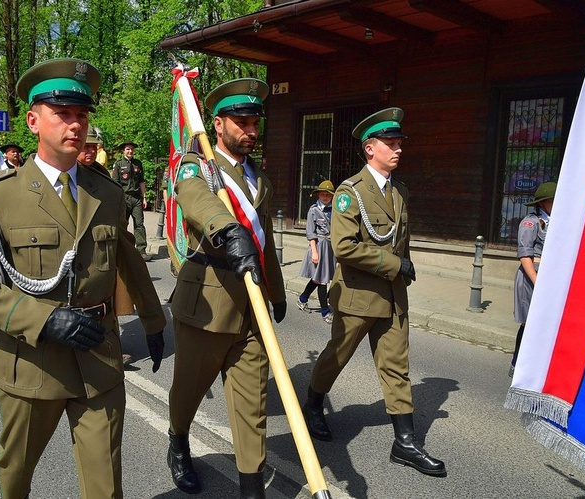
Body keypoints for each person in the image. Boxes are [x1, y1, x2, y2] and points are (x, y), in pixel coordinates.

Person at [0, 58, 166, 498]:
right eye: (62, 113)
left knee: (105, 484)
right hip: (32, 362)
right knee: (16, 473)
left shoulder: (105, 192)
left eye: (82, 115)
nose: (75, 124)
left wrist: (153, 320)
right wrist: (41, 319)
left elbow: (128, 260)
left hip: (99, 358)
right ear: (33, 121)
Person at [301, 108, 446, 477]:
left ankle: (406, 443)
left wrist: (403, 269)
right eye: (390, 143)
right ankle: (314, 405)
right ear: (370, 149)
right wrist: (396, 265)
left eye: (399, 143)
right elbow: (345, 246)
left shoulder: (400, 191)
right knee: (336, 357)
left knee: (397, 368)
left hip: (394, 297)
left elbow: (401, 241)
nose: (398, 149)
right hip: (359, 296)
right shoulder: (351, 193)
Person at [166, 78, 287, 498]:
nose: (251, 131)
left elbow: (265, 239)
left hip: (252, 305)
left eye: (255, 123)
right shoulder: (196, 165)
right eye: (242, 122)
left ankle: (251, 487)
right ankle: (178, 440)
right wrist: (228, 230)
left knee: (252, 404)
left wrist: (278, 293)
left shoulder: (259, 178)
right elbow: (197, 200)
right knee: (188, 391)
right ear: (217, 124)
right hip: (208, 300)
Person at [510, 181, 556, 376]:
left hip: (550, 276)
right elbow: (525, 256)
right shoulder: (531, 222)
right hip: (532, 276)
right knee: (529, 323)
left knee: (545, 323)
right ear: (544, 202)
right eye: (554, 200)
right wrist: (537, 281)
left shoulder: (557, 220)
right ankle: (517, 363)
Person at [297, 179, 336, 323]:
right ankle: (325, 312)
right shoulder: (314, 210)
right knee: (322, 280)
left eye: (328, 195)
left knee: (317, 279)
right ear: (318, 195)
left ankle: (302, 299)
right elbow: (310, 233)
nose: (325, 197)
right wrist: (314, 252)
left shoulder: (334, 210)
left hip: (329, 246)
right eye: (322, 194)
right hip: (318, 246)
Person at [111, 140, 151, 260]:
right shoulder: (118, 164)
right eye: (128, 149)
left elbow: (142, 182)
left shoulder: (137, 163)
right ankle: (123, 251)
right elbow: (115, 183)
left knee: (139, 224)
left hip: (137, 198)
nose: (130, 151)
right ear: (123, 151)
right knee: (123, 225)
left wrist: (144, 198)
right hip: (124, 198)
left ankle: (141, 251)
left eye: (132, 149)